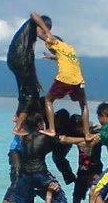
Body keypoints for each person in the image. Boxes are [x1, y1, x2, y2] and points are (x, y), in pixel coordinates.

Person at [30, 12, 91, 140]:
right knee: (83, 104)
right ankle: (87, 134)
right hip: (78, 80)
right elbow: (62, 57)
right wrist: (51, 57)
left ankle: (51, 129)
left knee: (48, 100)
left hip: (65, 78)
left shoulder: (53, 42)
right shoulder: (69, 48)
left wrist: (38, 25)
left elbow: (39, 31)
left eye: (51, 50)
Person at [4, 114, 68, 203]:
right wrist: (82, 141)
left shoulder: (24, 138)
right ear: (39, 124)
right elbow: (63, 140)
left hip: (25, 174)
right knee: (60, 197)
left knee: (16, 198)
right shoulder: (44, 137)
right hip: (39, 173)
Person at [7, 14, 51, 135]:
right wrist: (48, 33)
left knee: (25, 90)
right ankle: (18, 127)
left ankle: (17, 115)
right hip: (20, 61)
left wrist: (35, 80)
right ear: (41, 26)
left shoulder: (28, 39)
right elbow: (33, 14)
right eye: (44, 33)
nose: (45, 37)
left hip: (16, 61)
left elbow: (30, 62)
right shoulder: (31, 24)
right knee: (31, 95)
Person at [71, 114, 103, 203]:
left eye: (78, 128)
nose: (77, 131)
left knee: (95, 195)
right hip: (82, 169)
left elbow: (103, 128)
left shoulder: (95, 132)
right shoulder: (77, 135)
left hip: (94, 168)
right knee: (76, 196)